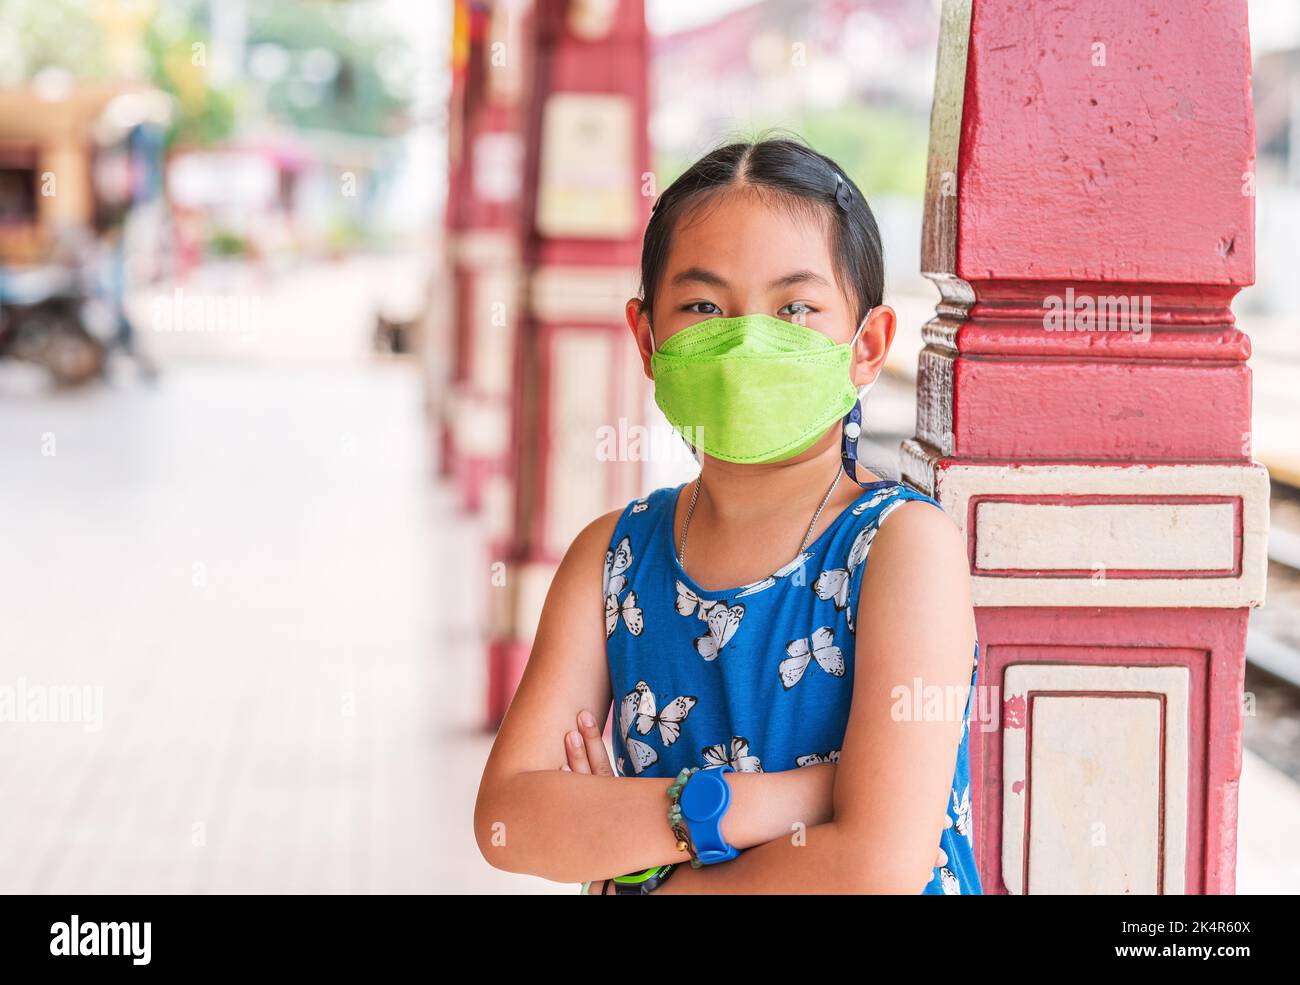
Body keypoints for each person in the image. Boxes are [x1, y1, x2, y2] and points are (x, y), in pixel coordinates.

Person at [474, 135, 981, 894]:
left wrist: (640, 855)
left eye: (795, 308)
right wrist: (778, 802)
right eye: (705, 306)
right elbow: (510, 819)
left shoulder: (902, 550)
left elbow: (875, 867)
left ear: (867, 346)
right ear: (647, 338)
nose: (748, 339)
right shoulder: (611, 559)